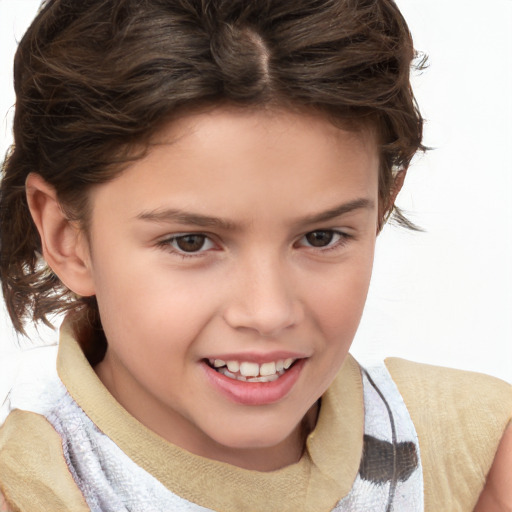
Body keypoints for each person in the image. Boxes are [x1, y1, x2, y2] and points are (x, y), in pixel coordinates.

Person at [0, 0, 510, 510]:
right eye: (191, 242)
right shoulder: (25, 490)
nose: (268, 312)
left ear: (380, 208)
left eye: (321, 237)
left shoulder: (481, 454)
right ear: (67, 236)